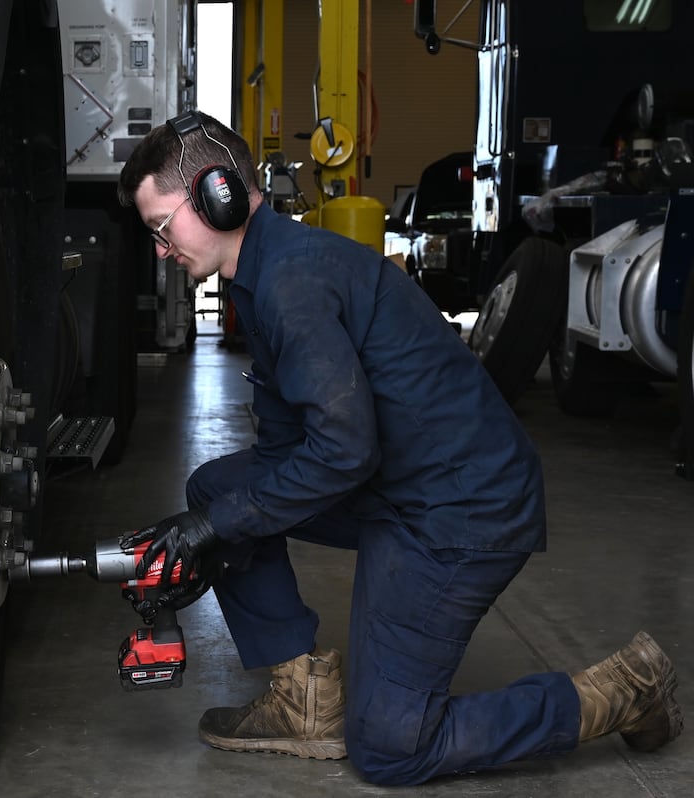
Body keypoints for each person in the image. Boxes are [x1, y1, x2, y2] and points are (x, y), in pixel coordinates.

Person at [116, 110, 683, 786]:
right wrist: (215, 538)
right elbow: (288, 451)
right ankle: (303, 703)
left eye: (161, 226)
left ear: (219, 195)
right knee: (220, 490)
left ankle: (619, 691)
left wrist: (218, 527)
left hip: (459, 511)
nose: (159, 248)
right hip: (400, 481)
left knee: (391, 747)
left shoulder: (292, 285)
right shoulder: (264, 274)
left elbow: (341, 453)